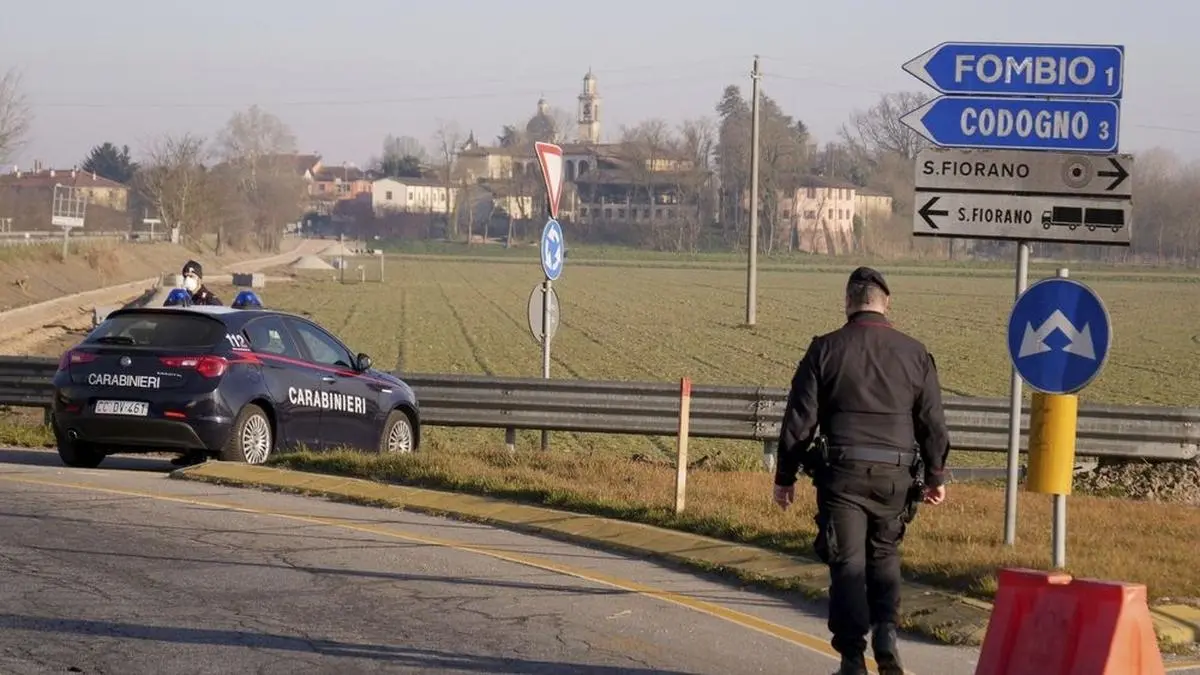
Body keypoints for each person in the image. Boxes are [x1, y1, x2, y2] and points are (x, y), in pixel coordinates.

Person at [771, 266, 951, 675]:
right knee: (885, 554)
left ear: (848, 302)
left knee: (847, 562)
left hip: (843, 476)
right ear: (886, 305)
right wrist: (936, 475)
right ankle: (886, 633)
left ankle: (852, 658)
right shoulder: (915, 352)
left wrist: (785, 477)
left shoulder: (825, 349)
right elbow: (932, 422)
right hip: (896, 478)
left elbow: (799, 421)